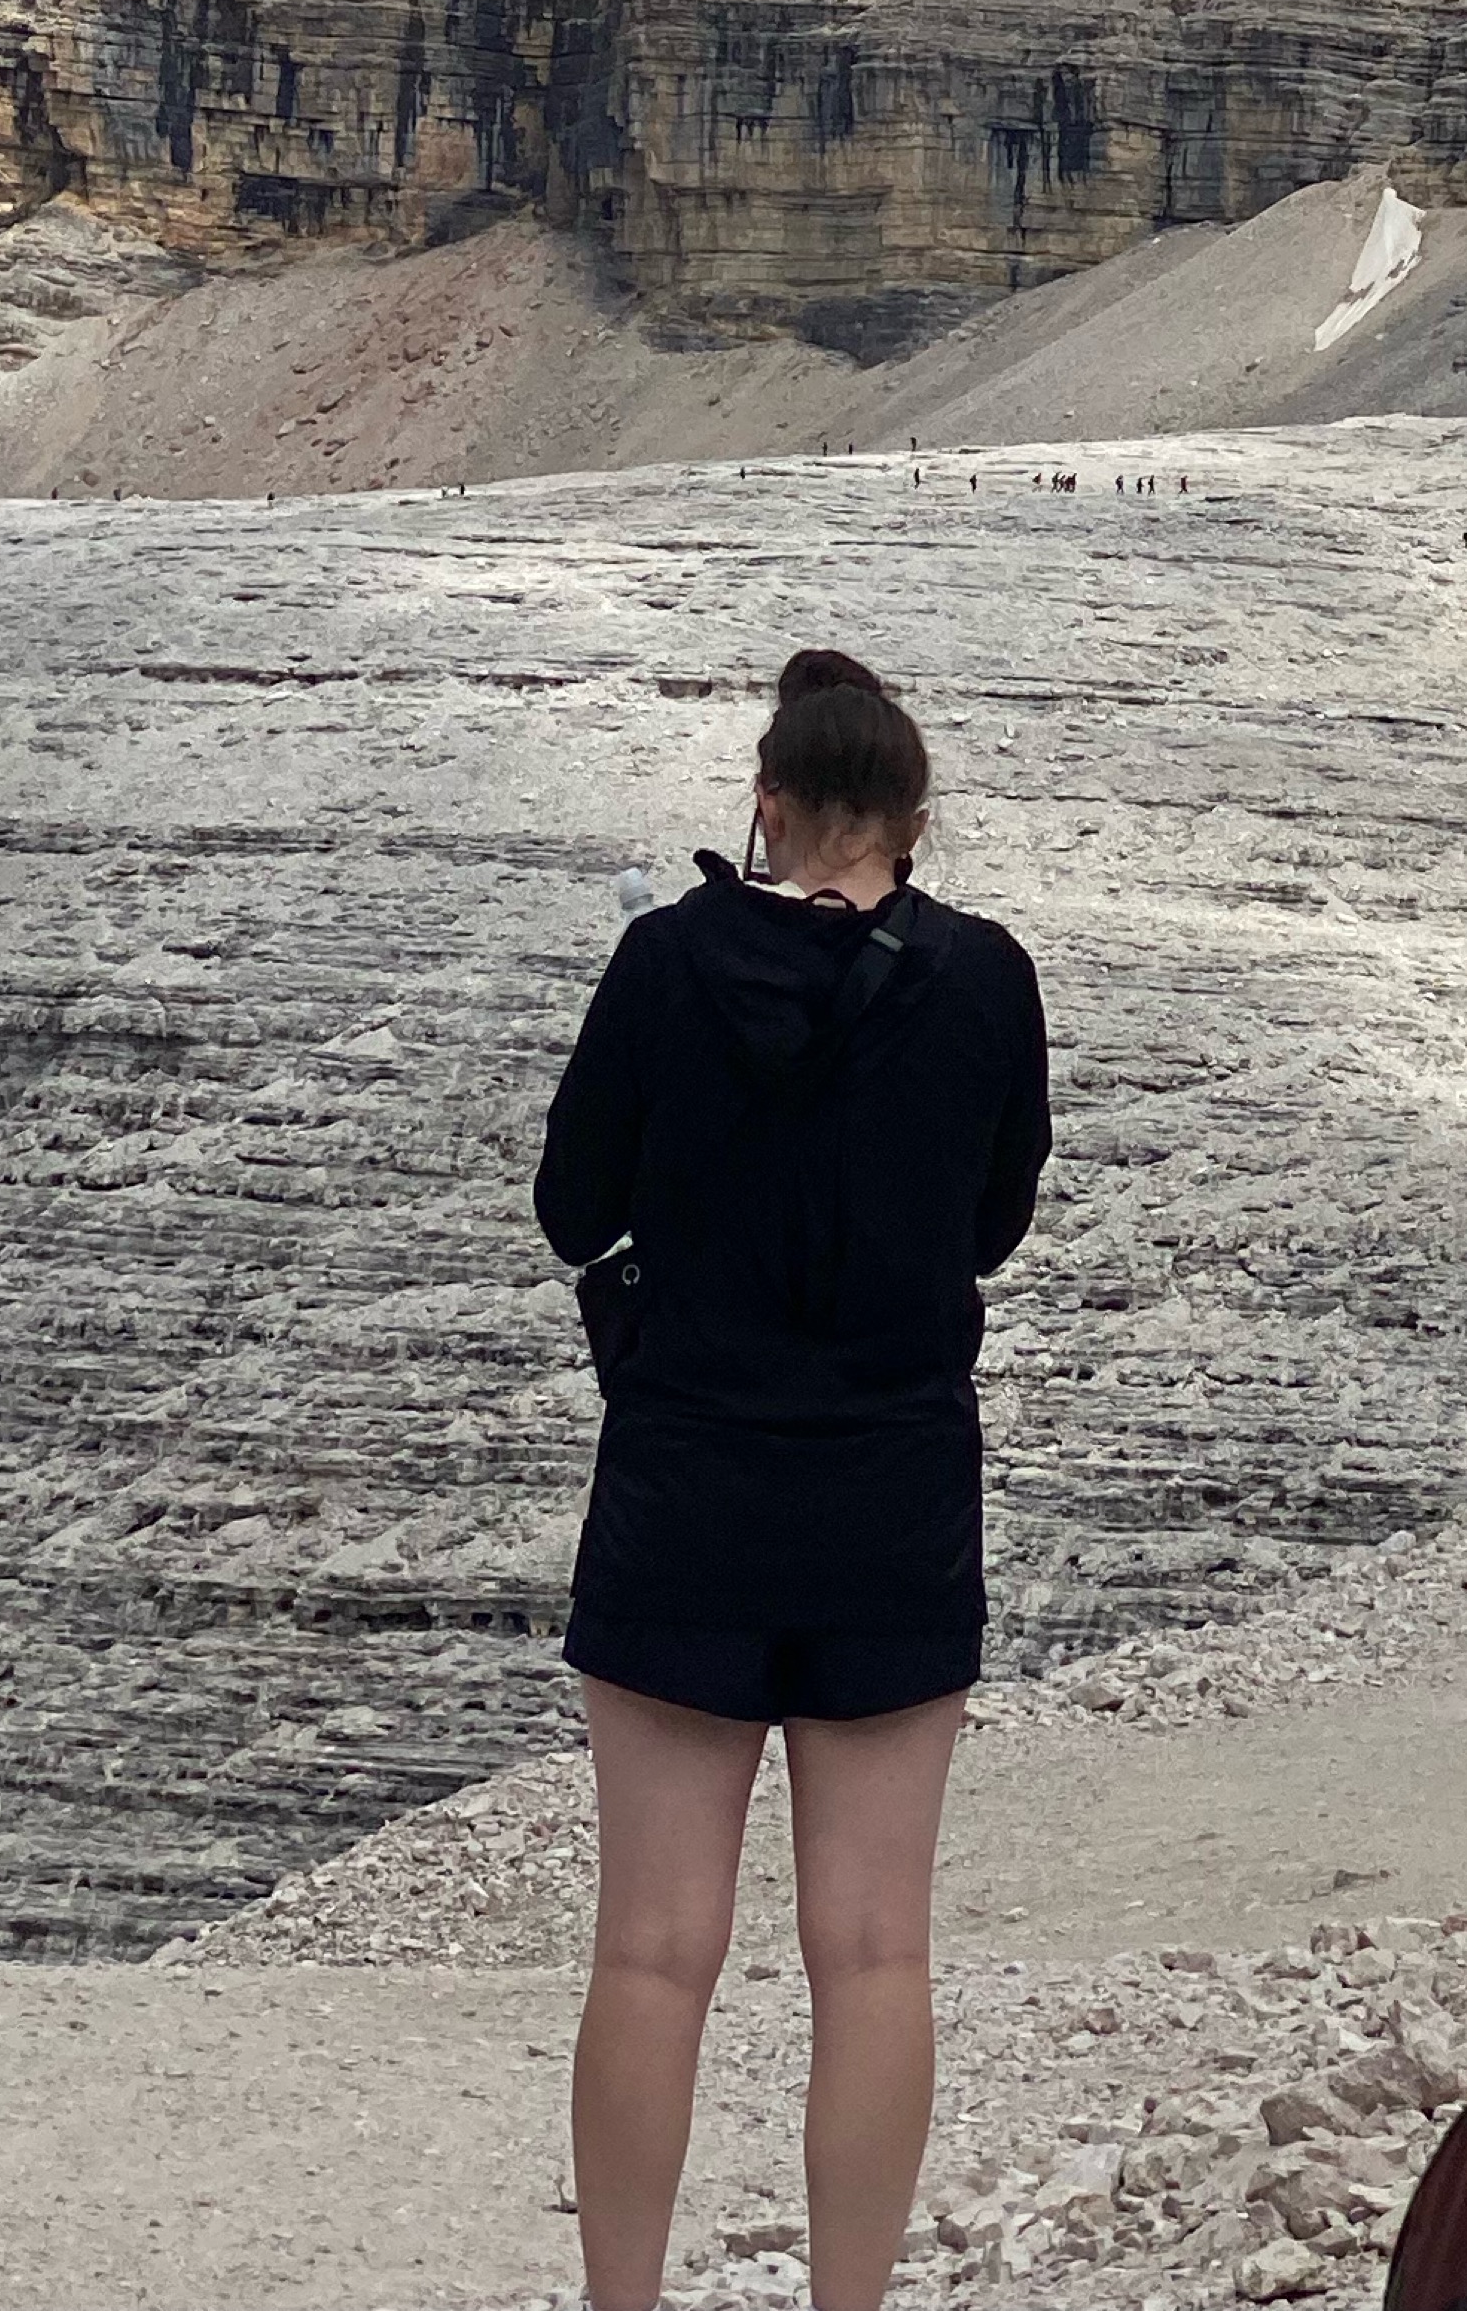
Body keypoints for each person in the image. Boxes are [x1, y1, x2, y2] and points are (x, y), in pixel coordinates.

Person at [533, 647, 1051, 2311]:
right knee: (876, 1949)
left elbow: (569, 1206)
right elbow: (991, 1221)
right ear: (914, 814)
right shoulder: (985, 980)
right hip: (893, 1494)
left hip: (687, 1481)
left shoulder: (662, 963)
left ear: (764, 804)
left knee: (652, 1948)